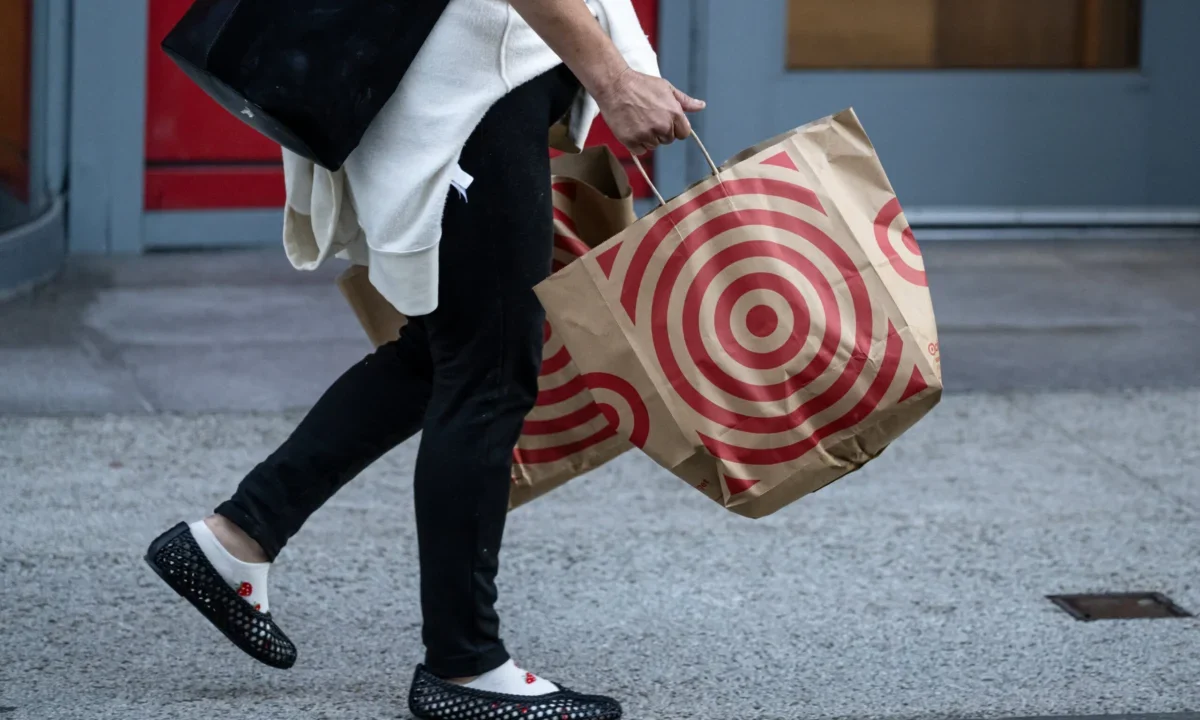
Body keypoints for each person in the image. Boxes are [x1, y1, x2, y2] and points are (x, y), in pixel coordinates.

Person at [144, 1, 704, 718]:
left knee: (449, 349)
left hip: (472, 77)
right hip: (473, 85)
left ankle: (238, 537)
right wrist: (613, 78)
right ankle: (464, 669)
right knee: (489, 367)